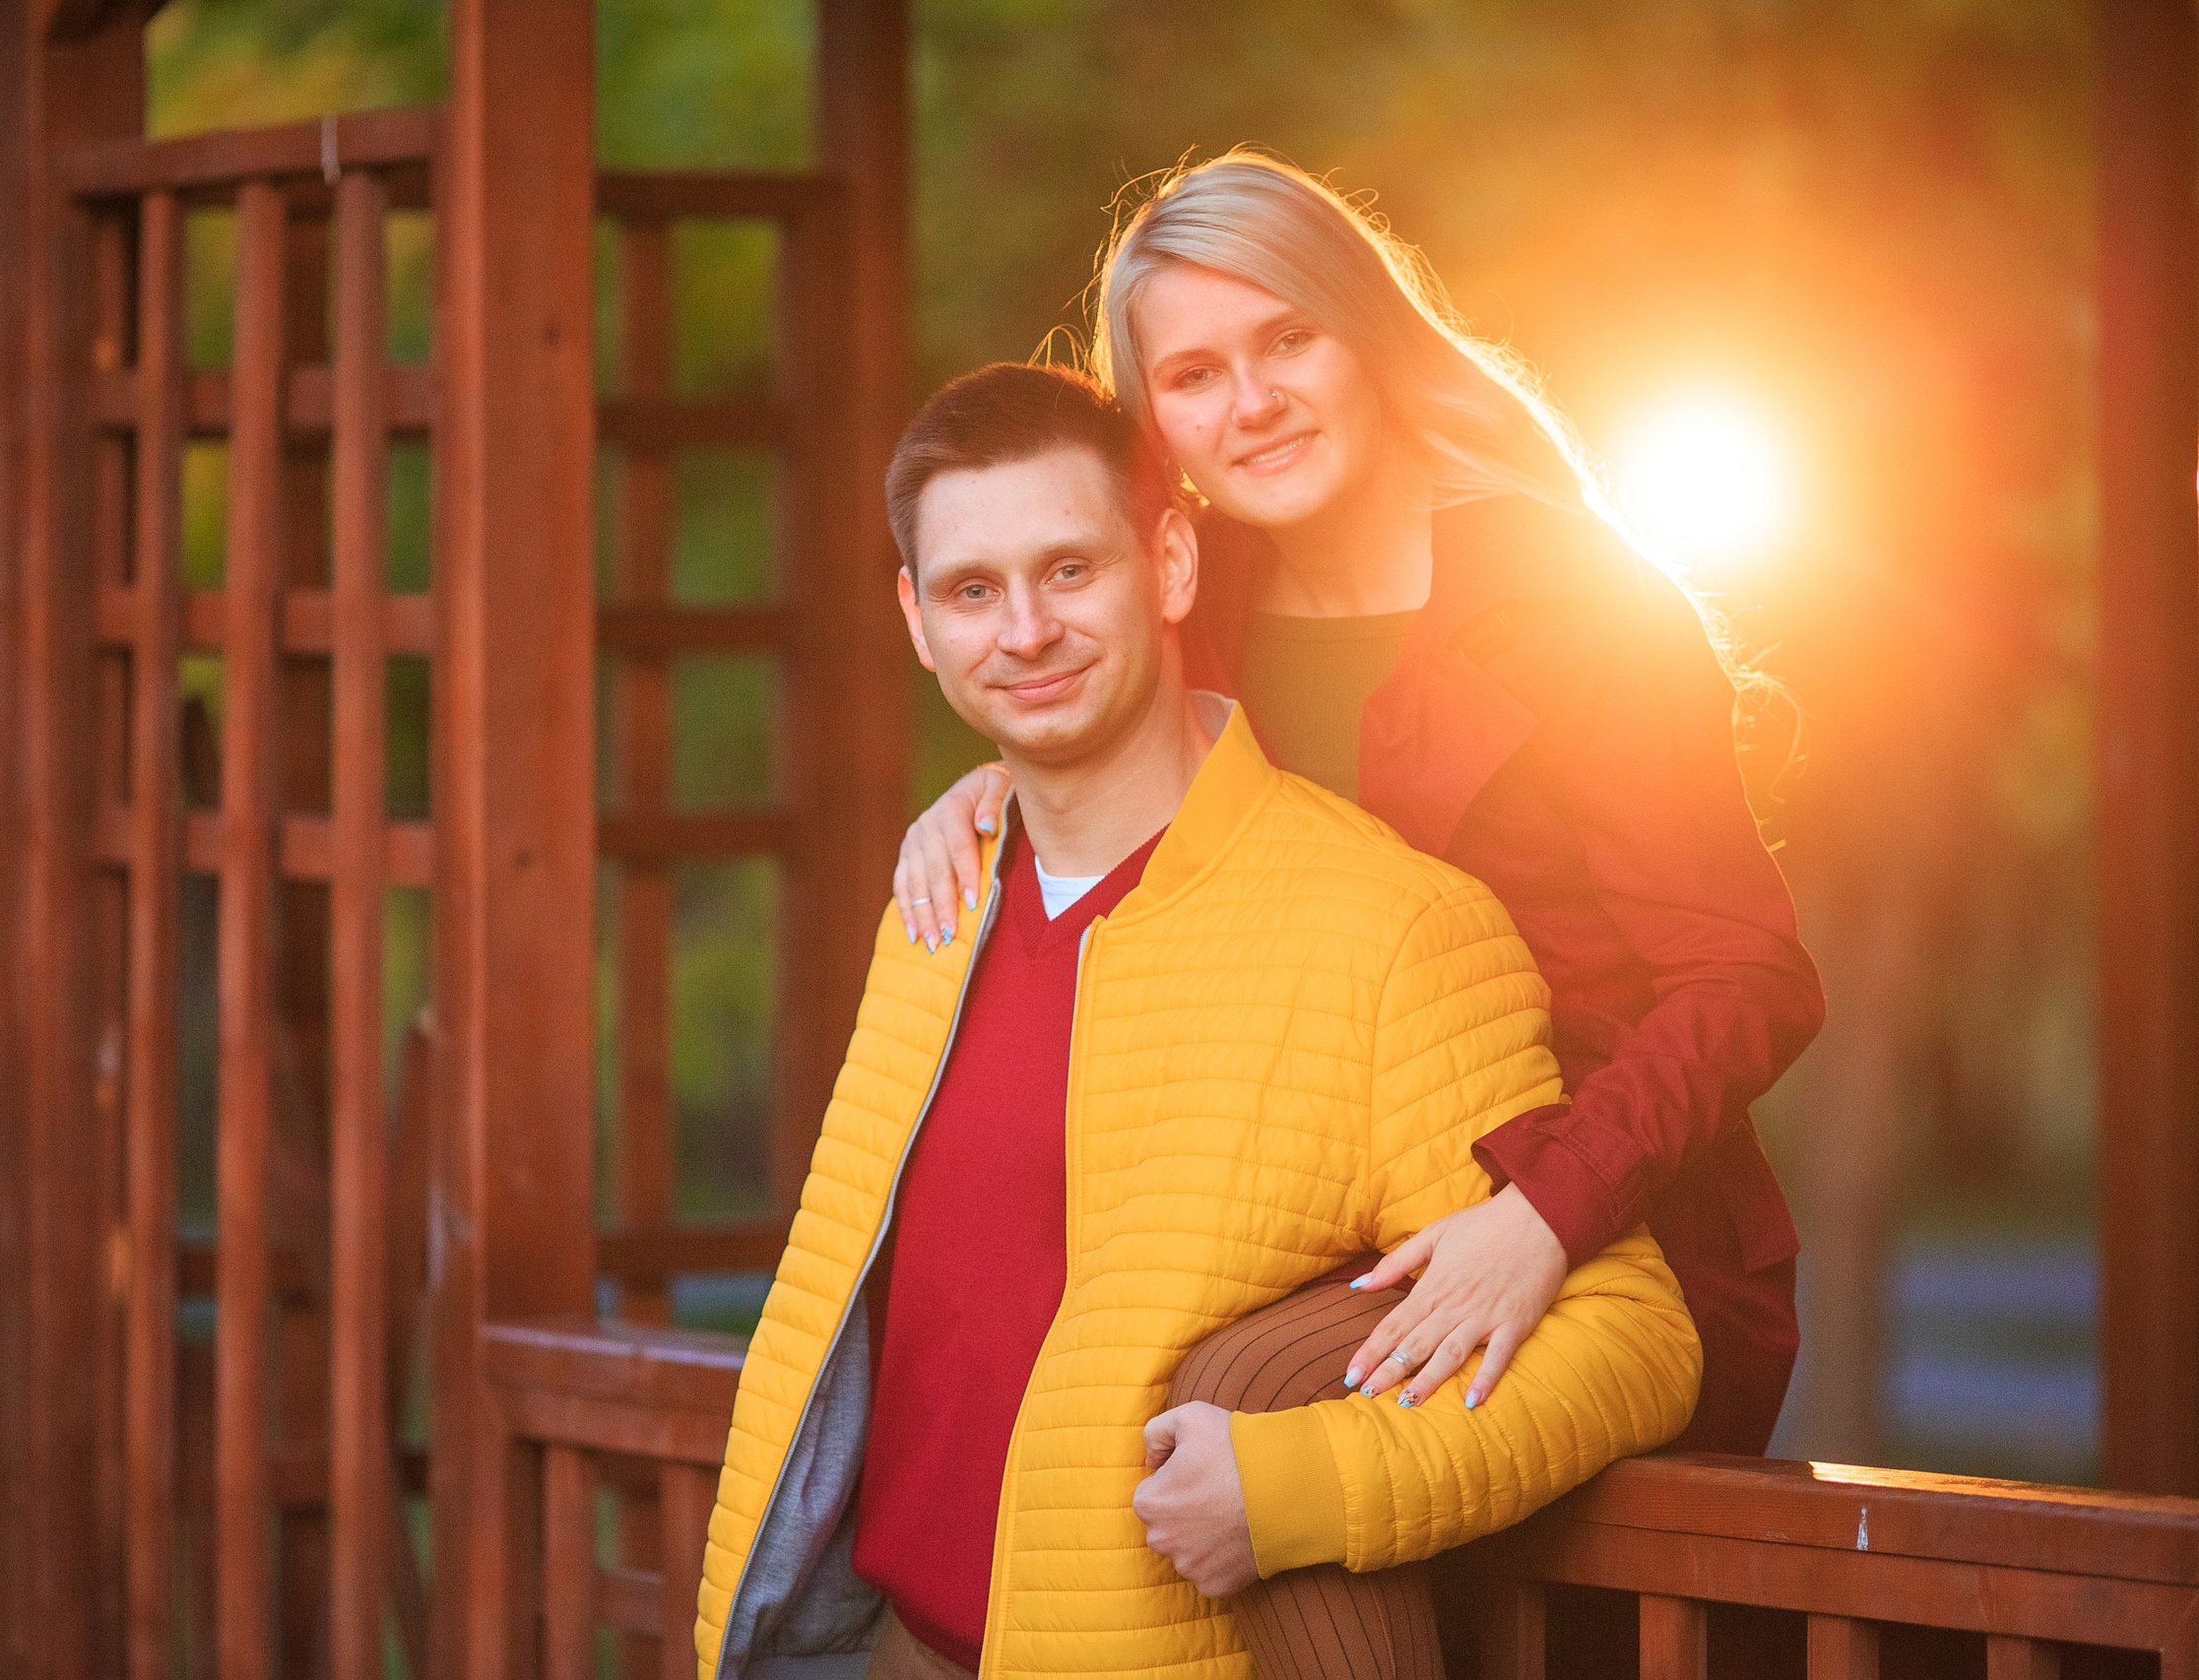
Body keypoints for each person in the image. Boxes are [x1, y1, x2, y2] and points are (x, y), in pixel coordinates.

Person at [695, 362, 1700, 1680]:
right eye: (973, 590)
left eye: (1070, 570)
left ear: (1169, 565)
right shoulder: (940, 897)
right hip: (900, 1648)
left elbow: (1630, 1337)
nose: (1026, 631)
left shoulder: (1386, 929)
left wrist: (1306, 1485)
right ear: (917, 622)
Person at [889, 154, 1824, 1456]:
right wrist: (992, 785)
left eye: (1289, 339)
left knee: (1219, 1408)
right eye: (1194, 375)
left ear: (1366, 334)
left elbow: (1747, 975)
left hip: (1592, 1221)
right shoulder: (1195, 601)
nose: (1253, 403)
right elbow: (1081, 712)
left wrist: (1542, 1213)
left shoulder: (1573, 598)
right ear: (1153, 427)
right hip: (1316, 1215)